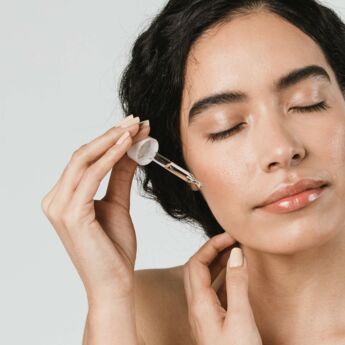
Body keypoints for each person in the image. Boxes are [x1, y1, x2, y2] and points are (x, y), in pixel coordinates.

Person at [41, 0, 345, 344]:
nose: (282, 149)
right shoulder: (145, 313)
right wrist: (109, 299)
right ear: (180, 166)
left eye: (309, 102)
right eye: (226, 127)